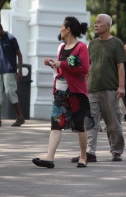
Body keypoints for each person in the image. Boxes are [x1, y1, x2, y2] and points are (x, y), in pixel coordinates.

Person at [32, 16, 90, 168]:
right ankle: (49, 158)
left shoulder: (81, 47)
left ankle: (83, 156)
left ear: (68, 29)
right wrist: (52, 64)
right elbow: (61, 69)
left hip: (76, 93)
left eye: (62, 27)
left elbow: (84, 68)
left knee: (79, 125)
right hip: (60, 91)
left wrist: (62, 63)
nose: (60, 30)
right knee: (56, 124)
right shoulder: (61, 48)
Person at [71, 14, 126, 163]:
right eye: (94, 23)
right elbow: (87, 66)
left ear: (107, 26)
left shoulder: (116, 43)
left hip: (110, 88)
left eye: (99, 23)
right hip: (92, 88)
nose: (95, 25)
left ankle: (116, 151)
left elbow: (121, 65)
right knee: (90, 121)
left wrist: (121, 86)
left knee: (113, 122)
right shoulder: (92, 44)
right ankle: (90, 152)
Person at [0, 23, 25, 127]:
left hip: (9, 70)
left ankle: (20, 117)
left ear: (1, 28)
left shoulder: (11, 38)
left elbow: (19, 54)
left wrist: (20, 70)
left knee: (10, 92)